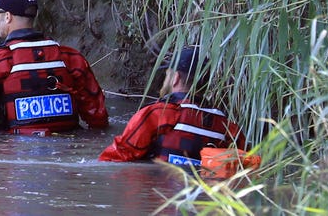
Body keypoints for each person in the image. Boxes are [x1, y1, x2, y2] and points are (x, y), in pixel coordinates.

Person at [0, 0, 109, 136]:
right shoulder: (70, 57)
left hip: (17, 149)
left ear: (8, 17)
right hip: (67, 144)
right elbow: (98, 116)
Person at [98, 46, 246, 166]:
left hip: (159, 197)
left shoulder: (158, 114)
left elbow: (113, 159)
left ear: (175, 78)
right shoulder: (227, 127)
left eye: (167, 75)